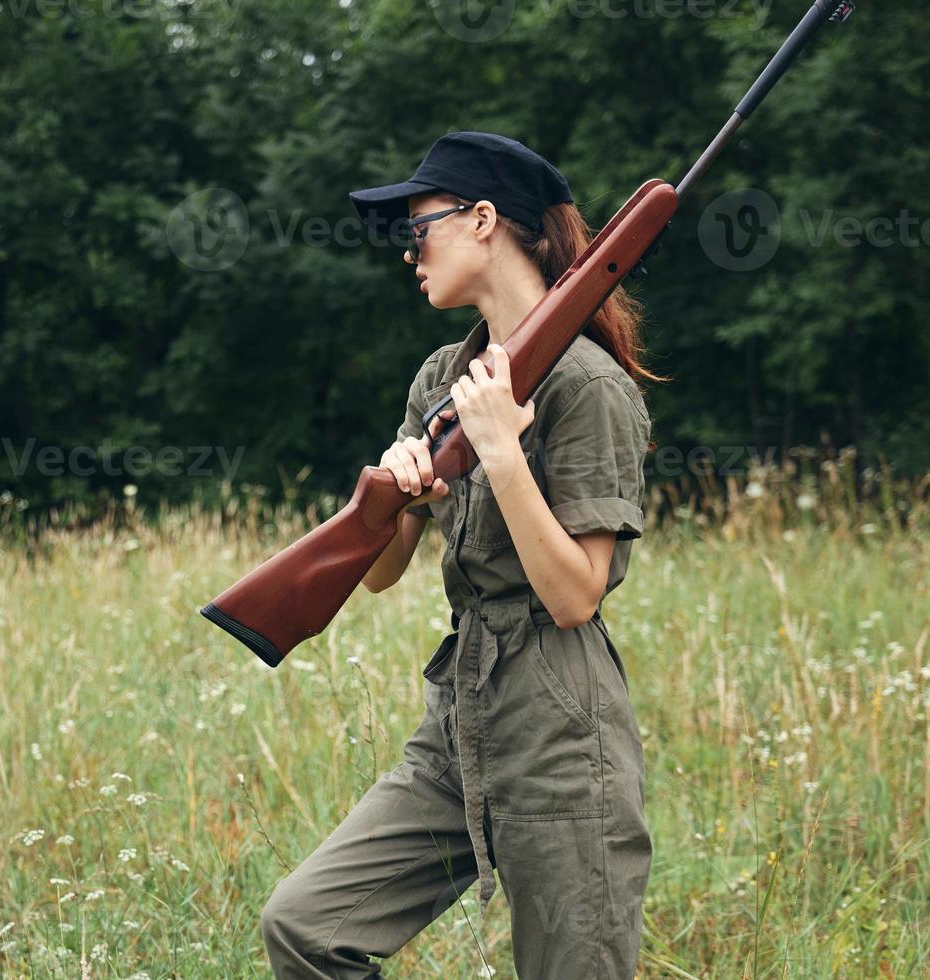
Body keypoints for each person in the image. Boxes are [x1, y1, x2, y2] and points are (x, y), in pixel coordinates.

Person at [259, 131, 667, 979]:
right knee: (304, 927)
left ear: (484, 220)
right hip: (459, 717)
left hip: (562, 730)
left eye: (420, 229)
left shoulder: (589, 388)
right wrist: (387, 498)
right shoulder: (442, 375)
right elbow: (376, 576)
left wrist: (504, 455)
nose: (410, 253)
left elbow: (576, 597)